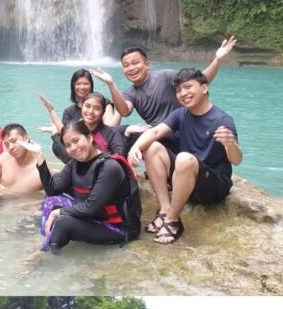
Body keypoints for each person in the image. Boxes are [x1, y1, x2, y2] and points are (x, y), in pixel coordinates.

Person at [127, 69, 242, 243]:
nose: (183, 93)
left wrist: (230, 143)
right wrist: (135, 147)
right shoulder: (181, 114)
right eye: (179, 90)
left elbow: (236, 160)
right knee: (152, 147)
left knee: (184, 158)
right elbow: (155, 131)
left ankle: (172, 220)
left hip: (213, 188)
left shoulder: (222, 120)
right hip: (185, 180)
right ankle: (165, 209)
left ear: (204, 88)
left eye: (188, 87)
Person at [91, 36, 237, 146]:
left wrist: (217, 60)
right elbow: (124, 111)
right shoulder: (130, 93)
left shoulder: (165, 76)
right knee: (120, 133)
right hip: (158, 136)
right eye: (126, 65)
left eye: (135, 63)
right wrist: (111, 84)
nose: (131, 68)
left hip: (181, 131)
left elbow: (198, 81)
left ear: (147, 64)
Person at [20, 122, 141, 252]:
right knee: (52, 200)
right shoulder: (74, 164)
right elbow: (52, 190)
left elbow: (90, 208)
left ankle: (46, 255)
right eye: (68, 145)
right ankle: (47, 239)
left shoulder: (110, 167)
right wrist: (39, 155)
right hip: (95, 217)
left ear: (90, 137)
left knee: (63, 223)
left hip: (118, 227)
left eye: (76, 140)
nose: (73, 148)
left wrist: (58, 212)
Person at [38, 91, 125, 165]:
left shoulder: (111, 133)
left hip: (102, 174)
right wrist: (51, 110)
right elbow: (64, 132)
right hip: (78, 171)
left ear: (103, 112)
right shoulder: (76, 128)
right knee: (60, 146)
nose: (91, 111)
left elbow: (119, 160)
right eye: (87, 106)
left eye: (97, 108)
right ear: (82, 107)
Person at [47, 69, 122, 131]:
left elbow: (110, 128)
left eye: (86, 84)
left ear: (91, 85)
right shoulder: (69, 112)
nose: (82, 87)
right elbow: (66, 136)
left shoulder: (104, 103)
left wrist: (110, 84)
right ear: (73, 86)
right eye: (78, 84)